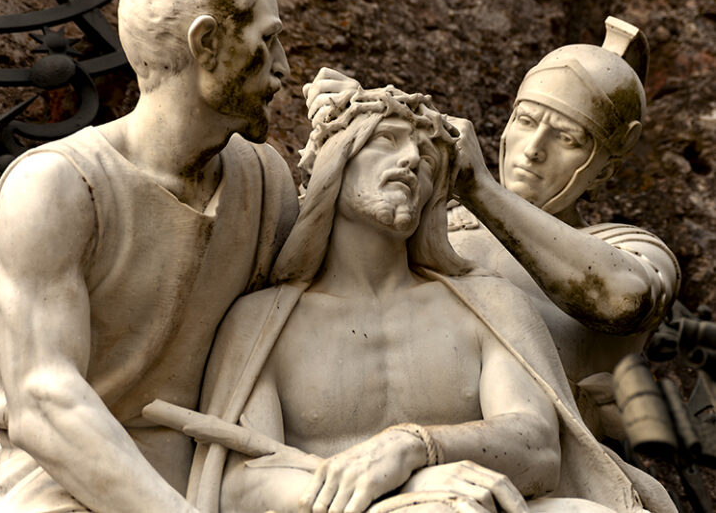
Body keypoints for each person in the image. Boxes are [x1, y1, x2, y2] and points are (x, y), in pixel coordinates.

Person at [186, 75, 675, 513]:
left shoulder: (488, 303)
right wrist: (405, 491)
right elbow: (240, 481)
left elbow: (540, 449)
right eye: (386, 140)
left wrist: (415, 447)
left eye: (427, 157)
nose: (410, 159)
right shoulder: (262, 320)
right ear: (334, 160)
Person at [0, 0, 297, 511]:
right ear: (207, 44)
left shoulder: (265, 181)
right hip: (66, 485)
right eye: (268, 40)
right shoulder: (55, 186)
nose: (283, 67)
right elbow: (45, 402)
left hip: (219, 479)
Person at [306, 18, 680, 439]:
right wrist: (355, 129)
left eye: (567, 138)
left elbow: (624, 298)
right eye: (526, 121)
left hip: (521, 455)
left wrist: (480, 189)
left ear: (603, 171)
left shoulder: (625, 248)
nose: (534, 149)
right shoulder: (434, 214)